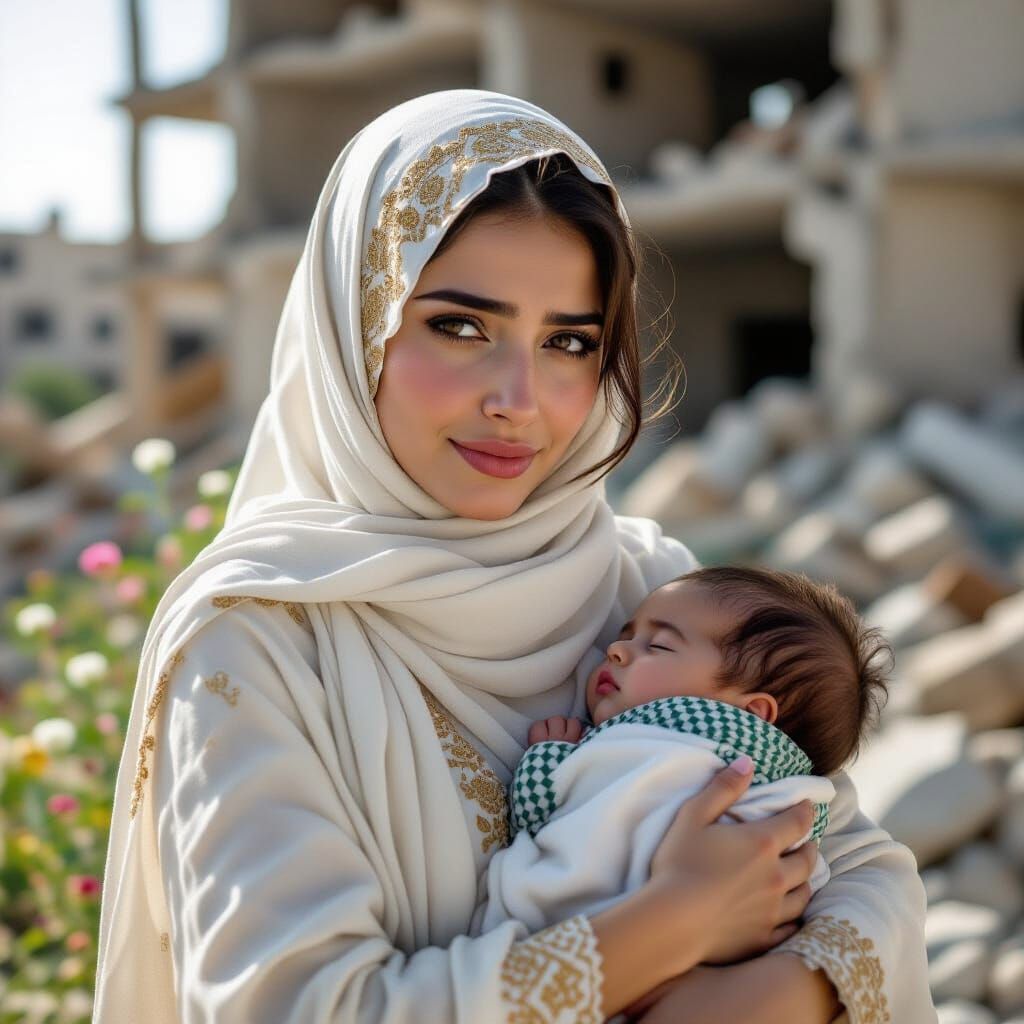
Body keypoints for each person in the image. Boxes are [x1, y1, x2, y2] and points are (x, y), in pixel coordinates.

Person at [91, 90, 935, 1024]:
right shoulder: (258, 643)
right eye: (459, 327)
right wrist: (673, 925)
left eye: (570, 342)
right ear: (354, 330)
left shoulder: (646, 585)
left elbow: (866, 871)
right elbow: (298, 1007)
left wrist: (767, 997)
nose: (519, 400)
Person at [472, 566, 894, 943]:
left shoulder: (652, 749)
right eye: (626, 635)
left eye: (658, 646)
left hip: (589, 938)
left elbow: (538, 811)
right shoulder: (798, 802)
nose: (617, 651)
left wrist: (547, 756)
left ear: (754, 711)